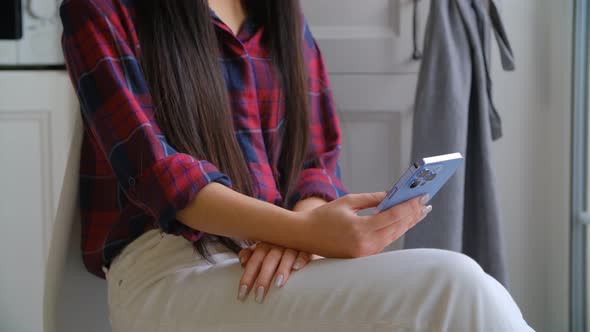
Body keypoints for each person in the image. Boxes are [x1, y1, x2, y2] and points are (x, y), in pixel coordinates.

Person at [60, 0, 533, 330]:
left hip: (276, 254)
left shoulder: (280, 18)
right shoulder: (101, 8)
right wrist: (300, 233)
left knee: (451, 293)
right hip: (170, 274)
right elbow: (161, 175)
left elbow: (314, 160)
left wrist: (300, 231)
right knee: (452, 286)